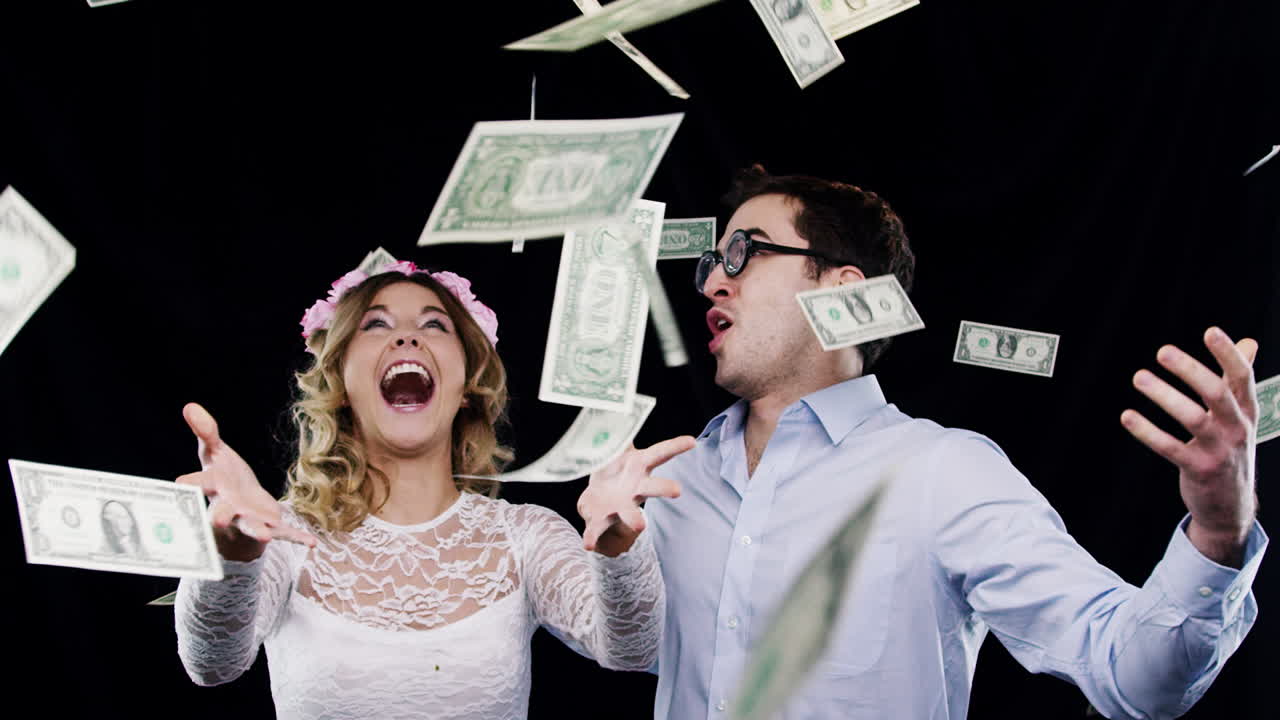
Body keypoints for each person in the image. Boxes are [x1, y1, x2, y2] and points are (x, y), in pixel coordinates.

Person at [578, 165, 1267, 719]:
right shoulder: (671, 482)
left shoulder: (945, 474)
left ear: (844, 292)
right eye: (710, 262)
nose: (713, 281)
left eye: (744, 254)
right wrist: (611, 557)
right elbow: (632, 652)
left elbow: (1134, 678)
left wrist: (1218, 530)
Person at [174, 260, 687, 720]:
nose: (406, 338)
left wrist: (619, 547)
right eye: (376, 324)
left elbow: (630, 650)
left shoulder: (524, 536)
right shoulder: (282, 536)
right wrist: (232, 553)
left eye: (433, 324)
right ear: (342, 381)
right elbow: (212, 664)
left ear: (466, 387)